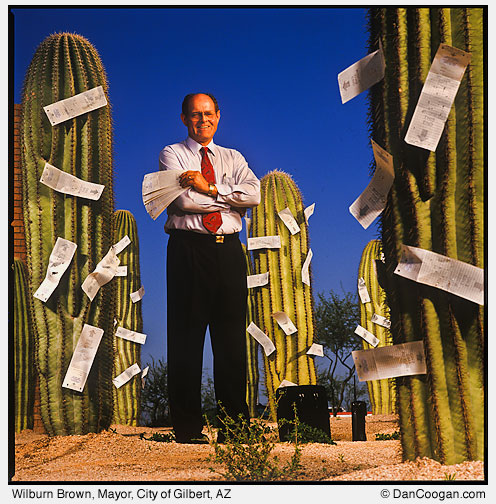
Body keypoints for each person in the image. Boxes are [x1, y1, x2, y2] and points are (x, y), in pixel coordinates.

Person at [159, 93, 260, 444]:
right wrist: (229, 198)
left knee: (232, 340)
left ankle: (234, 426)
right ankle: (187, 428)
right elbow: (184, 201)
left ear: (218, 115)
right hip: (189, 251)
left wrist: (210, 187)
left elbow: (255, 194)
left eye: (209, 113)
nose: (203, 120)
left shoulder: (234, 157)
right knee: (186, 339)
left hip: (229, 252)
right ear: (184, 118)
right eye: (195, 114)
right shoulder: (172, 154)